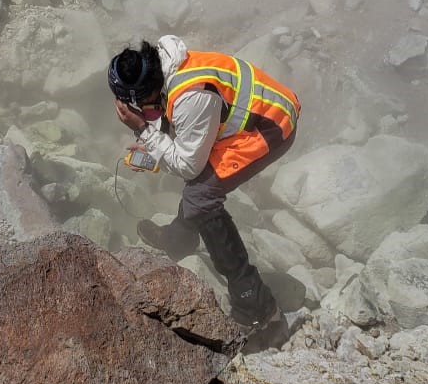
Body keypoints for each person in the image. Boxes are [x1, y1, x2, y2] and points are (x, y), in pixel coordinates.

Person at [108, 35, 300, 347]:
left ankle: (260, 309)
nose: (136, 109)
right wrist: (152, 143)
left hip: (271, 126)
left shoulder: (192, 95)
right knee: (198, 187)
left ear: (145, 93)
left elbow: (188, 167)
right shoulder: (165, 66)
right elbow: (172, 121)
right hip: (252, 113)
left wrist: (143, 130)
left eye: (135, 103)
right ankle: (178, 240)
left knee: (201, 197)